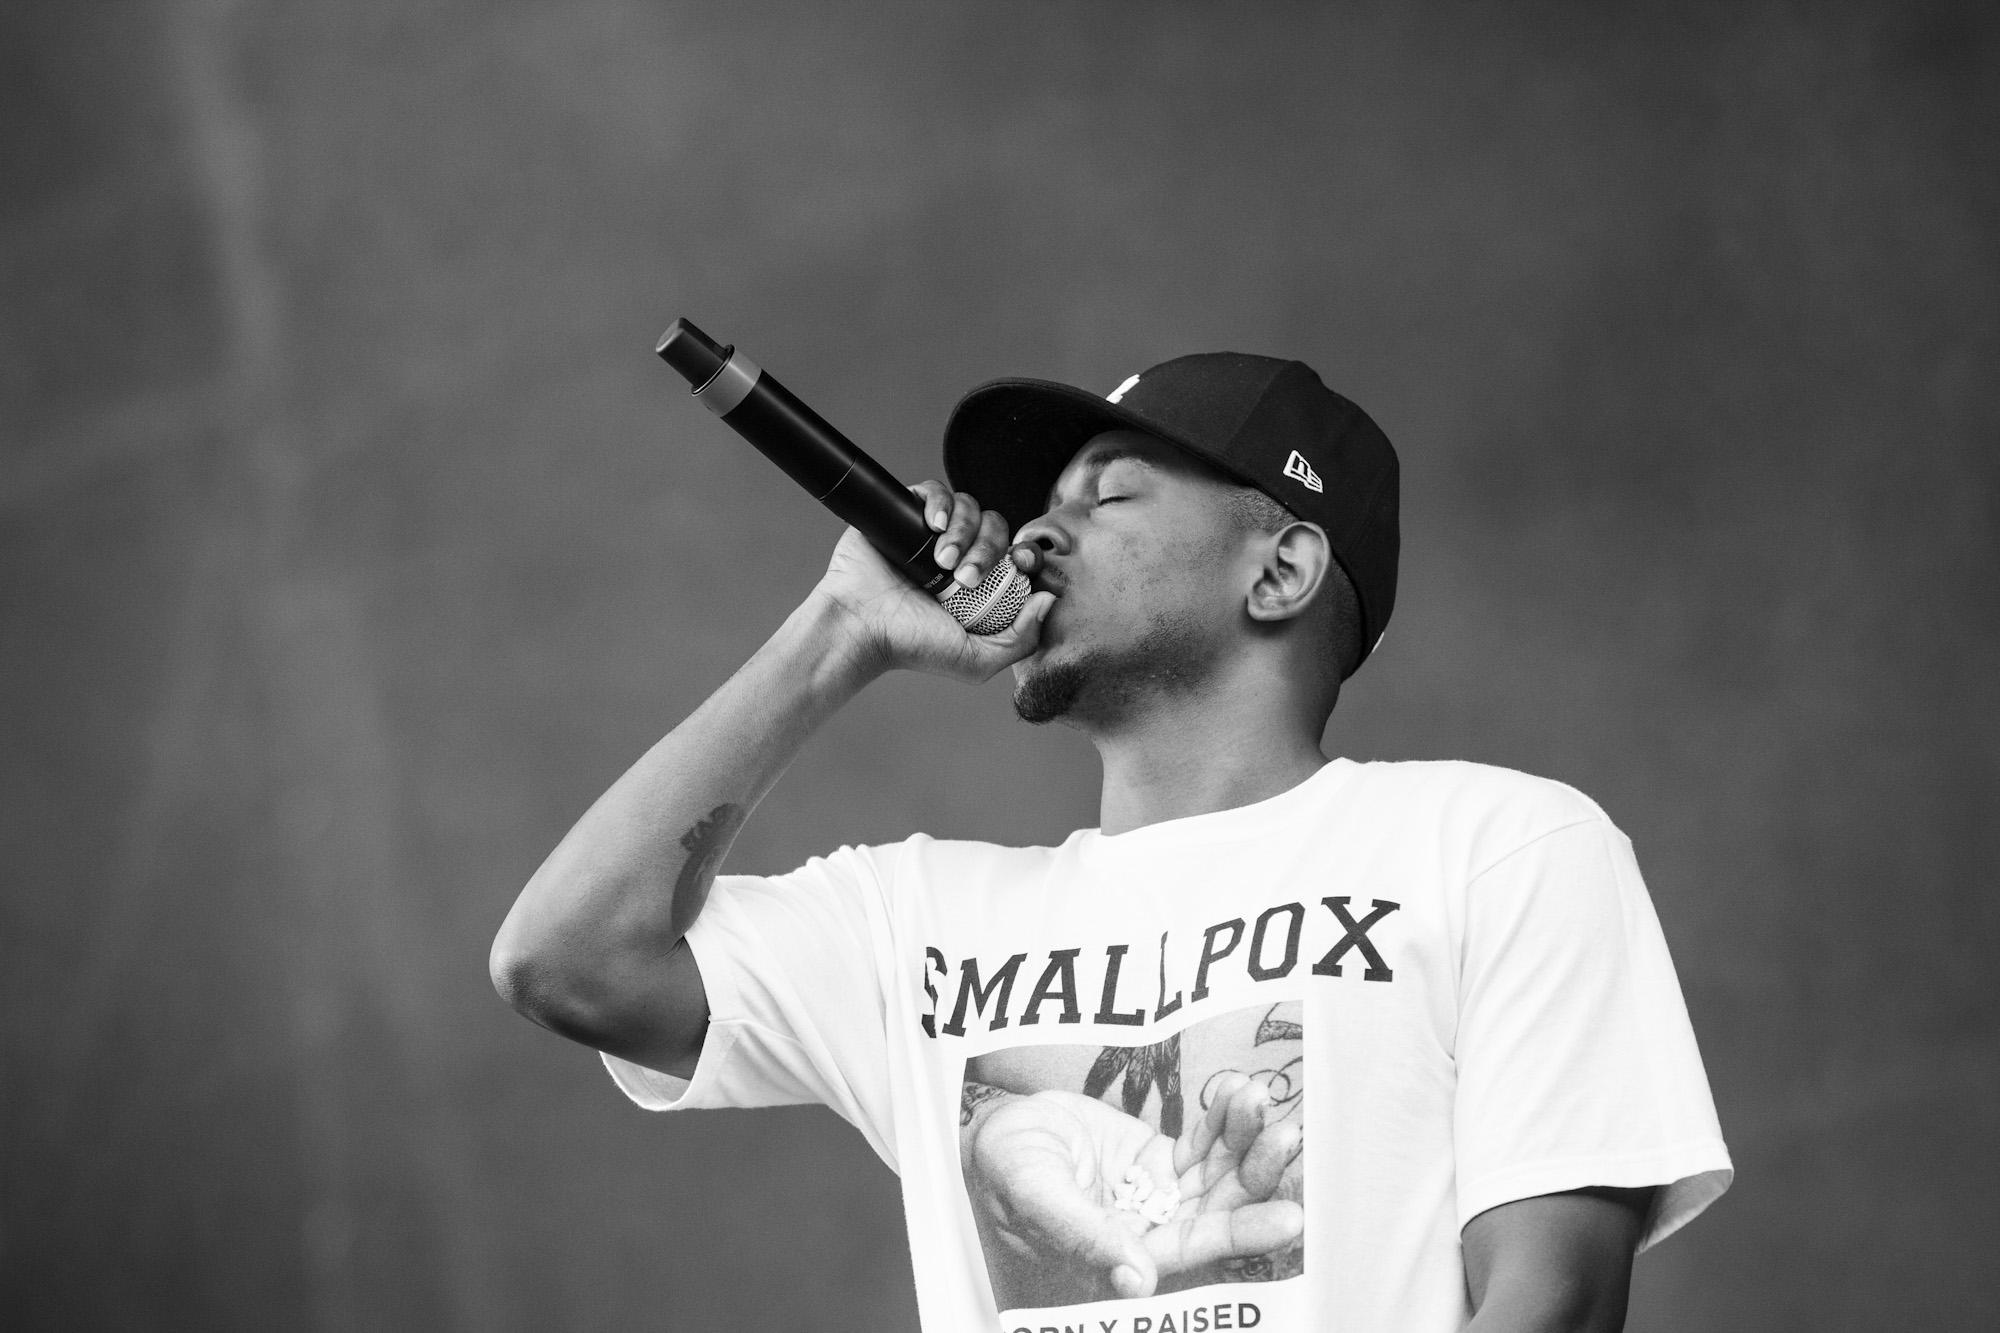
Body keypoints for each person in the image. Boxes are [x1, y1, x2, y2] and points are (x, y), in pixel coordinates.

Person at [491, 352, 1732, 1332]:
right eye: (1041, 507)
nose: (1033, 534)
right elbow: (568, 961)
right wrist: (838, 633)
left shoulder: (1494, 847)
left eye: (1109, 496)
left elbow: (1550, 1300)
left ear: (1281, 568)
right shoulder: (911, 920)